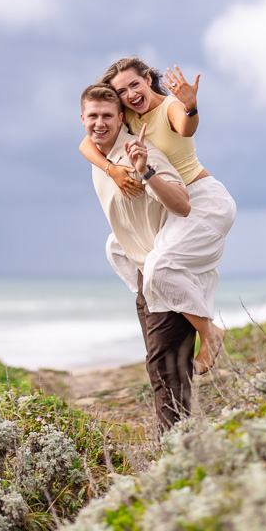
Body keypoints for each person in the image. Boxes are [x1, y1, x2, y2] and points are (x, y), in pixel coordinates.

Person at [79, 58, 236, 374]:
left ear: (148, 79)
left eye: (134, 84)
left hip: (202, 198)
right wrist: (111, 170)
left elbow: (185, 126)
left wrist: (191, 106)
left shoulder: (170, 107)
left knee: (159, 265)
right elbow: (85, 142)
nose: (131, 94)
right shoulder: (130, 120)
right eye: (122, 91)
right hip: (171, 204)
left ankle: (210, 332)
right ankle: (161, 295)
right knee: (117, 247)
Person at [80, 83, 197, 432]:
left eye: (107, 116)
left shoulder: (138, 152)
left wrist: (145, 170)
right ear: (82, 118)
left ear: (121, 119)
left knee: (166, 369)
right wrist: (110, 167)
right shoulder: (102, 159)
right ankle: (181, 447)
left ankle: (176, 451)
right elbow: (88, 146)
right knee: (162, 369)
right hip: (145, 273)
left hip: (166, 269)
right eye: (93, 116)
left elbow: (183, 204)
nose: (99, 123)